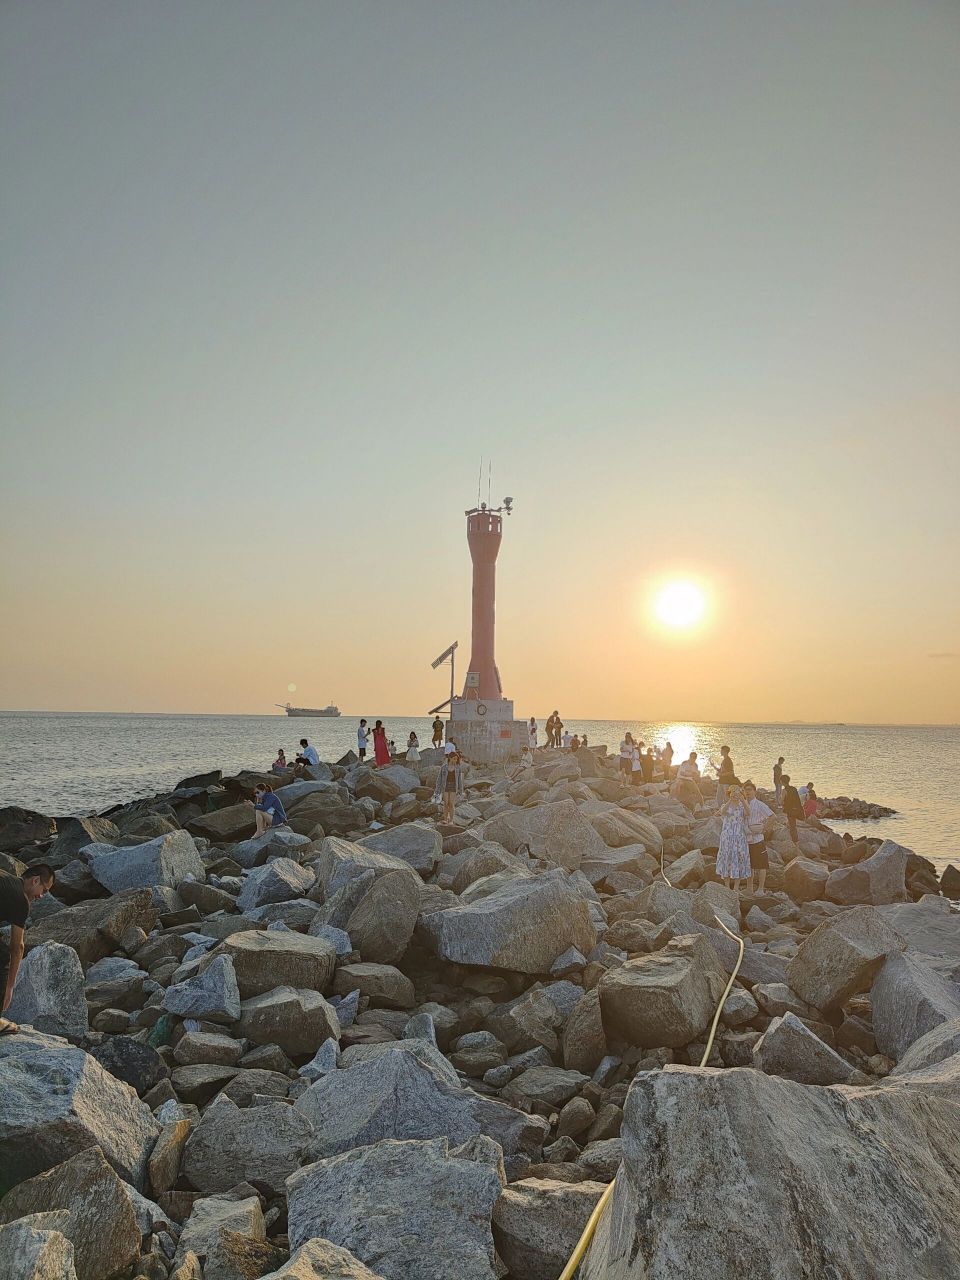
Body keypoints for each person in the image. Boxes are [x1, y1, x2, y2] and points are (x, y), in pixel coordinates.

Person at [1, 864, 56, 1034]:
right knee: (3, 958)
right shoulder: (20, 900)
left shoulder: (6, 879)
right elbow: (17, 947)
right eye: (44, 890)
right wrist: (9, 987)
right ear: (35, 880)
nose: (41, 896)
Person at [716, 786, 752, 892]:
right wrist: (730, 800)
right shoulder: (725, 805)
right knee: (726, 858)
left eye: (737, 793)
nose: (735, 795)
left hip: (739, 836)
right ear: (729, 793)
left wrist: (743, 800)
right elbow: (722, 812)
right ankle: (727, 886)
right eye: (733, 793)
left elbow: (749, 813)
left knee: (739, 858)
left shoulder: (742, 806)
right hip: (727, 837)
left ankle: (736, 887)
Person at [743, 781, 775, 893]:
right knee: (749, 865)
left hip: (758, 839)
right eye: (745, 790)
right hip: (746, 839)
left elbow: (772, 816)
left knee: (761, 865)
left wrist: (764, 828)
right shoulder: (742, 804)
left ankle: (761, 889)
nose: (747, 792)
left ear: (754, 791)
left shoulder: (760, 805)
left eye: (749, 789)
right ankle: (749, 888)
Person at [433, 748, 464, 822]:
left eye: (456, 759)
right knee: (446, 803)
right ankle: (445, 819)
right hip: (445, 786)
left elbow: (460, 780)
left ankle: (451, 820)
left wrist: (461, 790)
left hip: (454, 786)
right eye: (454, 759)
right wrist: (437, 790)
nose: (455, 760)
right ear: (449, 758)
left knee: (451, 804)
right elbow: (439, 779)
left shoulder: (458, 768)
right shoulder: (443, 767)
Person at [781, 773, 804, 844]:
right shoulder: (794, 789)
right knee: (792, 823)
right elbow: (798, 799)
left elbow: (782, 801)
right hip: (797, 809)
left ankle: (795, 841)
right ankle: (794, 837)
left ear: (782, 781)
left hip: (790, 810)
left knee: (792, 826)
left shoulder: (784, 791)